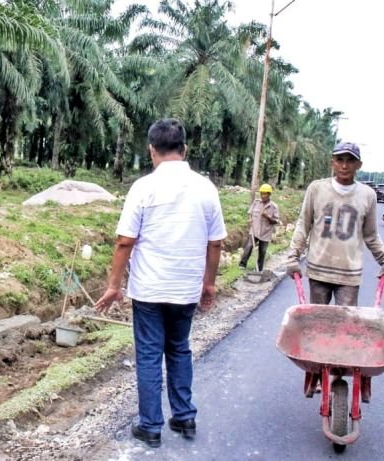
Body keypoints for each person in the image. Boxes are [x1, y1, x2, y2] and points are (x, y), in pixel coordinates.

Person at [94, 118, 227, 448]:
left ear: (152, 150)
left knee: (150, 355)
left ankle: (151, 426)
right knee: (179, 349)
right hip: (185, 289)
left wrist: (114, 285)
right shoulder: (206, 188)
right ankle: (184, 417)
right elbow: (215, 244)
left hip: (149, 290)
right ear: (184, 149)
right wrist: (208, 284)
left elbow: (125, 241)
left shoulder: (143, 188)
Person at [286, 142, 384, 306]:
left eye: (350, 160)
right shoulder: (316, 189)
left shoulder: (367, 195)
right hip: (319, 271)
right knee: (319, 324)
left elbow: (371, 235)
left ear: (359, 165)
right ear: (332, 162)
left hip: (349, 275)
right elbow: (303, 225)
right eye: (340, 160)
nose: (344, 165)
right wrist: (293, 257)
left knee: (345, 326)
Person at [239, 183, 280, 271]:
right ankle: (242, 264)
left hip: (265, 233)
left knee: (262, 251)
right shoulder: (256, 202)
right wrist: (250, 219)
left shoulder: (274, 207)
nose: (262, 196)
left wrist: (267, 216)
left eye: (265, 194)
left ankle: (259, 269)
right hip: (254, 230)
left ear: (269, 194)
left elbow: (275, 221)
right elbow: (250, 212)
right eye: (261, 193)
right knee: (249, 246)